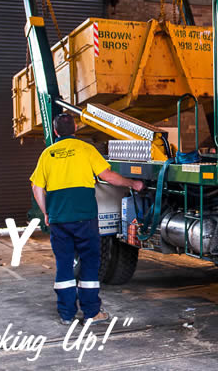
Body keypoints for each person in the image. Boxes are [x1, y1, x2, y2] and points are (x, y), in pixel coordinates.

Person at [30, 113, 144, 324]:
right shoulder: (86, 150)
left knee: (64, 264)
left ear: (55, 132)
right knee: (90, 262)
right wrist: (133, 184)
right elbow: (107, 176)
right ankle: (91, 312)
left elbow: (37, 187)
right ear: (75, 129)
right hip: (84, 218)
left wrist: (47, 212)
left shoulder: (47, 154)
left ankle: (66, 314)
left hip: (59, 219)